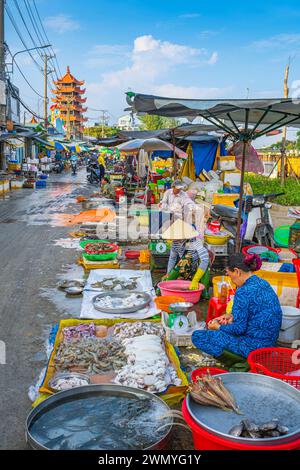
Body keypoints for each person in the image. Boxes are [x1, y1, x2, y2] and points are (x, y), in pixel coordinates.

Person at [192, 253, 282, 359]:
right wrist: (231, 316)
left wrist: (218, 326)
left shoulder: (243, 291)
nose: (231, 280)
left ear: (237, 271)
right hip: (269, 343)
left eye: (229, 275)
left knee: (197, 336)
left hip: (255, 348)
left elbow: (238, 329)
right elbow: (254, 312)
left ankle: (241, 361)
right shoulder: (263, 283)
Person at [161, 219, 210, 291]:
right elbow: (172, 258)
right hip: (187, 268)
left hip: (199, 268)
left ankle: (204, 291)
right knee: (182, 263)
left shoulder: (195, 241)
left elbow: (205, 260)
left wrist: (195, 280)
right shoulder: (175, 243)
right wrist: (168, 273)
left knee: (187, 258)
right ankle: (167, 283)